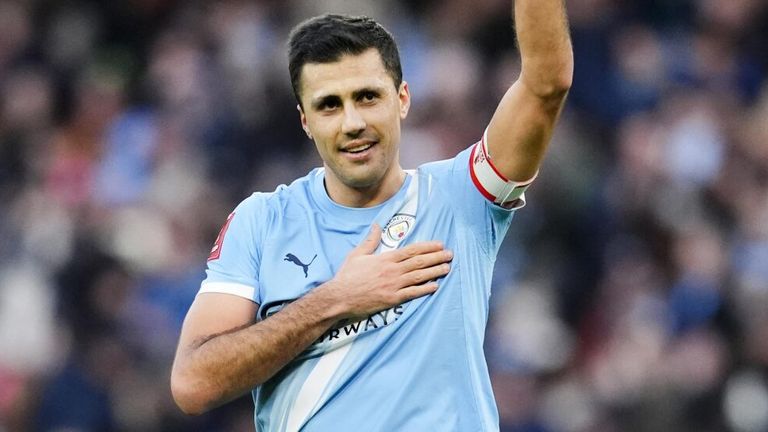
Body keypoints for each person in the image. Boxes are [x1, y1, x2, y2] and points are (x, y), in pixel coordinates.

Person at [171, 1, 572, 430]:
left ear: (402, 99)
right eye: (329, 105)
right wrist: (337, 300)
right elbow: (194, 383)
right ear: (306, 121)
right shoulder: (262, 221)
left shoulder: (461, 196)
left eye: (367, 97)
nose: (352, 122)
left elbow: (546, 85)